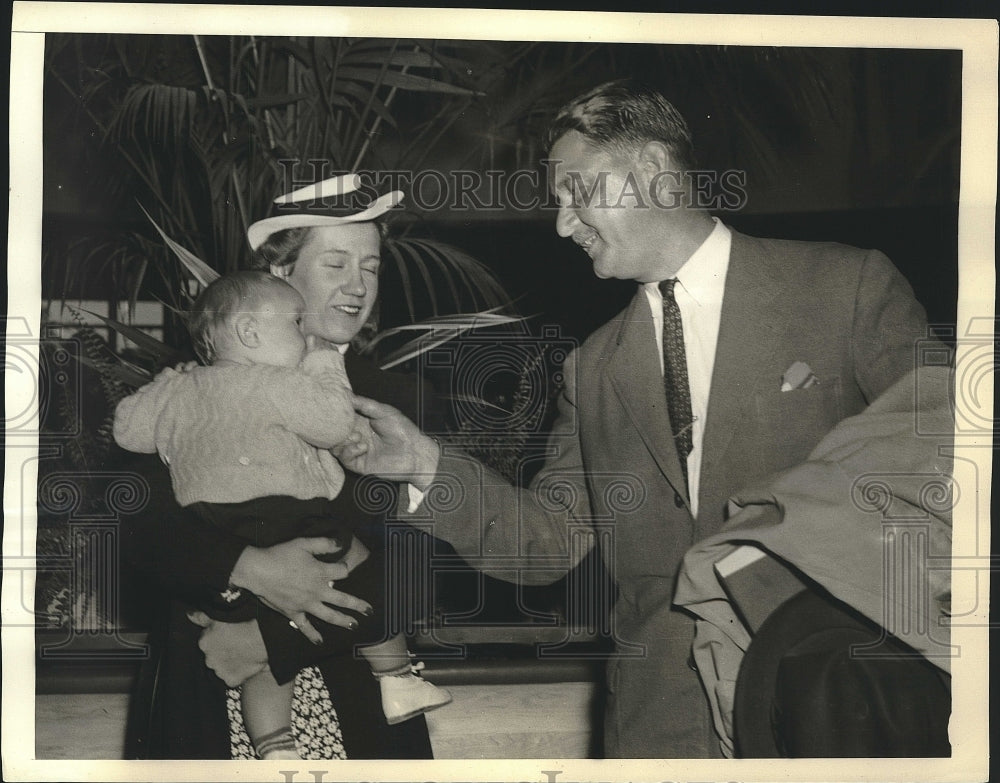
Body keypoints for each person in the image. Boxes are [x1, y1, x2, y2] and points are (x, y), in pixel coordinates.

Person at [334, 79, 934, 758]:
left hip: (833, 693)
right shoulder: (591, 369)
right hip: (661, 723)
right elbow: (550, 542)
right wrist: (423, 464)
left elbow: (947, 461)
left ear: (651, 170)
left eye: (579, 194)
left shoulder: (846, 287)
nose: (562, 225)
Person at [120, 174, 446, 759]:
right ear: (279, 275)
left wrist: (273, 635)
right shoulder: (192, 388)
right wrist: (245, 565)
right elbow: (139, 530)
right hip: (212, 687)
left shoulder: (402, 397)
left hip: (360, 700)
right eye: (335, 264)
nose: (357, 286)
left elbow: (425, 558)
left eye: (370, 267)